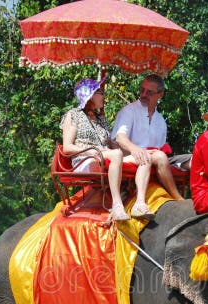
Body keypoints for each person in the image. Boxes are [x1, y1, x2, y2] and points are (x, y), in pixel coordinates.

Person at [60, 77, 154, 221]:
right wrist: (91, 151)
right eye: (100, 92)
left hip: (106, 156)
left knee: (145, 157)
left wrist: (136, 151)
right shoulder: (73, 115)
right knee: (116, 154)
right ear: (90, 95)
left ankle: (139, 204)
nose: (104, 96)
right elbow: (67, 147)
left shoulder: (100, 118)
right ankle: (117, 205)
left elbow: (112, 145)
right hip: (84, 160)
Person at [111, 74, 184, 201]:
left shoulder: (161, 120)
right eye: (142, 90)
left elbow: (160, 147)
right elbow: (119, 138)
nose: (144, 94)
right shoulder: (129, 111)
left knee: (190, 161)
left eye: (149, 92)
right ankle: (178, 198)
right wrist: (135, 149)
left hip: (152, 159)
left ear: (160, 94)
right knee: (160, 157)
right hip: (130, 157)